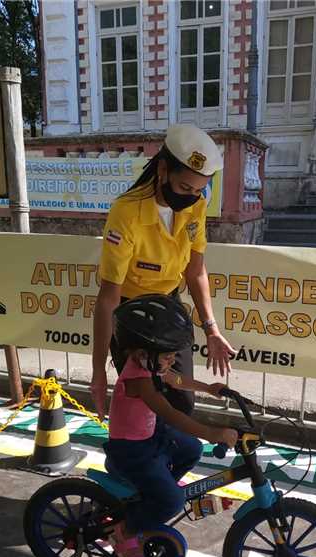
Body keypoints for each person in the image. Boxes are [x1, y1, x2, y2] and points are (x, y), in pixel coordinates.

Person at [92, 123, 236, 420]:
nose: (191, 196)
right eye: (185, 187)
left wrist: (212, 329)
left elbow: (195, 271)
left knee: (182, 405)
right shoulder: (127, 212)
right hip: (132, 316)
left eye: (199, 190)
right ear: (162, 170)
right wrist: (97, 374)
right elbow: (108, 298)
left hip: (169, 310)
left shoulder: (196, 205)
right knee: (143, 407)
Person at [104, 294, 238, 557]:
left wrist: (207, 387)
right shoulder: (139, 381)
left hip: (149, 435)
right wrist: (213, 433)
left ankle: (154, 496)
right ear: (143, 354)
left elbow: (175, 379)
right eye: (168, 356)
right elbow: (172, 414)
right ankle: (125, 531)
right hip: (132, 452)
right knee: (174, 501)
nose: (173, 360)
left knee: (191, 450)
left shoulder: (149, 366)